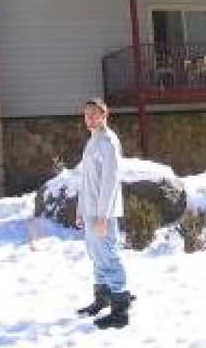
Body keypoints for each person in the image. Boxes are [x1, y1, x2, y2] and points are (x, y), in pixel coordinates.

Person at [75, 97, 133, 330]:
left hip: (103, 214)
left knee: (108, 256)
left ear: (104, 115)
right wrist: (80, 210)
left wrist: (102, 217)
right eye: (86, 114)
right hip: (90, 211)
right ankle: (102, 299)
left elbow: (109, 183)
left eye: (94, 114)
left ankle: (120, 311)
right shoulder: (92, 142)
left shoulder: (108, 143)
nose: (89, 118)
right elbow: (86, 181)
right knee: (96, 256)